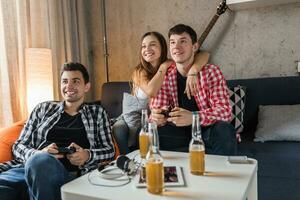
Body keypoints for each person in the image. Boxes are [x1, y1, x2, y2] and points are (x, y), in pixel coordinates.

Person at [0, 62, 115, 200]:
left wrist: (87, 155)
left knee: (41, 163)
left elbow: (109, 149)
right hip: (25, 169)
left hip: (67, 174)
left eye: (75, 81)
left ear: (86, 86)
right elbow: (18, 145)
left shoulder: (97, 113)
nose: (69, 86)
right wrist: (37, 154)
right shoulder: (42, 109)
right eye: (65, 81)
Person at [113, 31, 210, 154]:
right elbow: (151, 91)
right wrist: (163, 67)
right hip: (136, 118)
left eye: (152, 45)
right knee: (128, 131)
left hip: (159, 118)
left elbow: (204, 55)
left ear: (162, 47)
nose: (147, 49)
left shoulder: (173, 64)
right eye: (143, 46)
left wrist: (194, 71)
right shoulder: (140, 71)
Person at [150, 24, 236, 155]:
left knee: (225, 130)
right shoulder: (165, 76)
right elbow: (155, 111)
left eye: (183, 41)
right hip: (179, 132)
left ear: (195, 47)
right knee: (150, 132)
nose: (176, 47)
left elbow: (225, 112)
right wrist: (157, 117)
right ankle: (162, 174)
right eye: (173, 42)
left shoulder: (211, 72)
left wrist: (194, 118)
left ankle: (226, 173)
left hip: (206, 130)